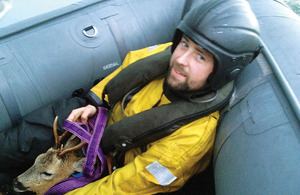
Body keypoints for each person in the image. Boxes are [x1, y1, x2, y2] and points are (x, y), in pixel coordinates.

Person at [0, 0, 261, 194]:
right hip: (94, 121)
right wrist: (94, 101)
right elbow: (127, 70)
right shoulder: (166, 55)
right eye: (184, 44)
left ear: (224, 69)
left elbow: (119, 188)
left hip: (114, 167)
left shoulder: (187, 143)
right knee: (14, 144)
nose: (180, 60)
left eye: (201, 56)